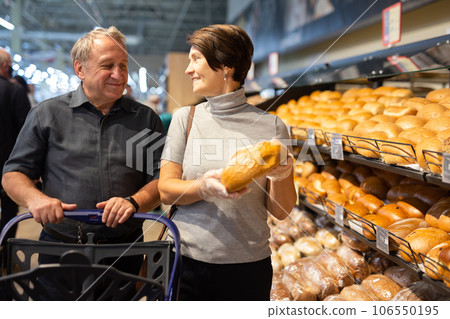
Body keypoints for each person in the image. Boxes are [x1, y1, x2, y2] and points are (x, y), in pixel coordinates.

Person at [2, 27, 164, 286]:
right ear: (80, 69)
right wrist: (35, 199)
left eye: (123, 65)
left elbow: (158, 180)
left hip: (124, 252)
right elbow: (13, 174)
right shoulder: (48, 115)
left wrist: (134, 201)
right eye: (107, 65)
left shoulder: (144, 120)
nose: (119, 74)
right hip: (60, 249)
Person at [158, 24, 296, 301]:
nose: (188, 69)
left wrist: (282, 175)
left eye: (196, 59)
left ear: (225, 66)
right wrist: (202, 188)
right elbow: (165, 190)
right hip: (186, 260)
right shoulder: (186, 118)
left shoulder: (273, 126)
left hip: (247, 265)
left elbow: (281, 212)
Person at [0, 48, 31, 253]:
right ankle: (4, 255)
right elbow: (27, 132)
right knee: (10, 211)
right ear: (5, 66)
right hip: (8, 165)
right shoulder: (14, 91)